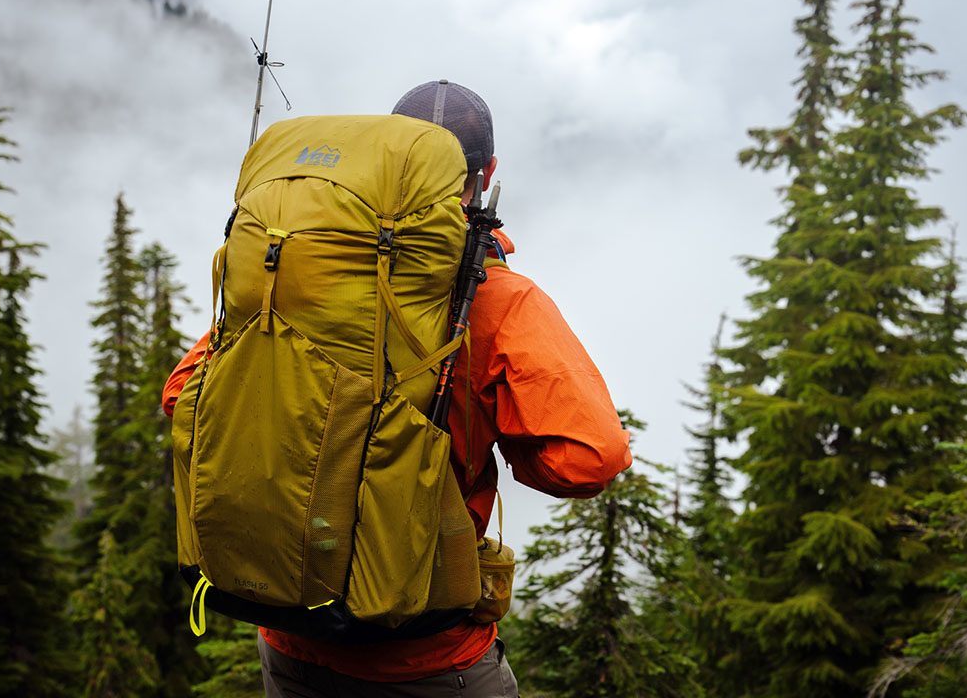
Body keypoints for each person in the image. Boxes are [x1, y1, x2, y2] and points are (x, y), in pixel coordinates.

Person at [162, 80, 632, 697]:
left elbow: (182, 394)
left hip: (289, 637)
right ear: (486, 173)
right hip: (428, 656)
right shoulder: (495, 301)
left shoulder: (300, 275)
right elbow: (587, 460)